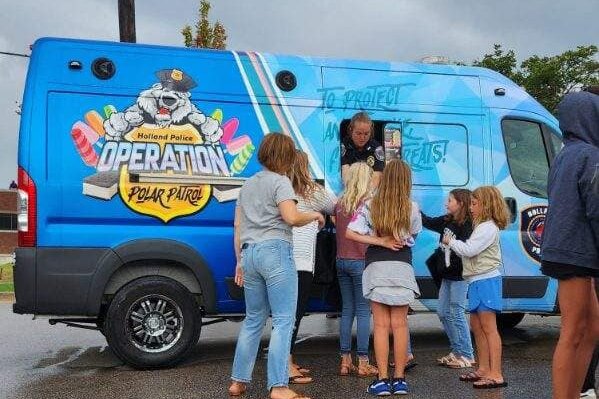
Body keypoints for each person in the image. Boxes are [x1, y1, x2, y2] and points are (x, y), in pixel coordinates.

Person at [228, 133, 324, 399]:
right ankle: (279, 386)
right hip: (276, 251)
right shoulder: (281, 182)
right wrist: (315, 215)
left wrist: (239, 261)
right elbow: (290, 217)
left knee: (253, 320)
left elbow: (238, 226)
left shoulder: (247, 184)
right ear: (285, 157)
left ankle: (238, 381)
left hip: (249, 254)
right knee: (283, 320)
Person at [540, 88, 599, 399]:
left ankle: (573, 393)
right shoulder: (590, 156)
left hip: (569, 250)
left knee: (590, 329)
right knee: (574, 331)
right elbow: (596, 207)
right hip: (575, 252)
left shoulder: (565, 154)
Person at [346, 159, 422, 396]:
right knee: (400, 325)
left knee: (380, 325)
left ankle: (381, 380)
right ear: (406, 181)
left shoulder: (371, 205)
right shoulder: (412, 208)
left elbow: (350, 232)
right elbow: (413, 236)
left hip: (376, 266)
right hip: (402, 267)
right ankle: (399, 380)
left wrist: (379, 240)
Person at [442, 186, 509, 389]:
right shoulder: (481, 226)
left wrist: (451, 242)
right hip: (476, 281)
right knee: (477, 327)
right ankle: (483, 369)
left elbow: (470, 250)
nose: (470, 207)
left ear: (485, 205)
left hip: (486, 280)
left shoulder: (488, 227)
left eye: (474, 203)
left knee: (488, 328)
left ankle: (495, 374)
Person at [287, 150, 336, 384]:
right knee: (293, 314)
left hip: (283, 257)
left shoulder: (282, 188)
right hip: (302, 261)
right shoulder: (312, 191)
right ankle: (285, 365)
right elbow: (337, 204)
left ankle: (287, 359)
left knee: (286, 313)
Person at [421, 189, 475, 368]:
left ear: (460, 203)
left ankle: (467, 354)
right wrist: (413, 209)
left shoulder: (467, 225)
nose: (446, 203)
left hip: (459, 276)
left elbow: (467, 249)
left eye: (450, 200)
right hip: (446, 275)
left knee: (457, 312)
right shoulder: (447, 220)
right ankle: (457, 350)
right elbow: (427, 221)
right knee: (443, 312)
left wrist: (450, 243)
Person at [334, 162, 378, 378]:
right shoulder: (368, 204)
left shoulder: (340, 202)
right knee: (363, 311)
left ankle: (344, 361)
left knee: (347, 310)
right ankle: (363, 362)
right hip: (361, 261)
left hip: (341, 261)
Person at [341, 112, 385, 187]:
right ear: (351, 130)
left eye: (366, 134)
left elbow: (377, 176)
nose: (362, 138)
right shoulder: (344, 145)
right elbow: (345, 172)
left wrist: (366, 196)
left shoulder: (376, 149)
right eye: (358, 133)